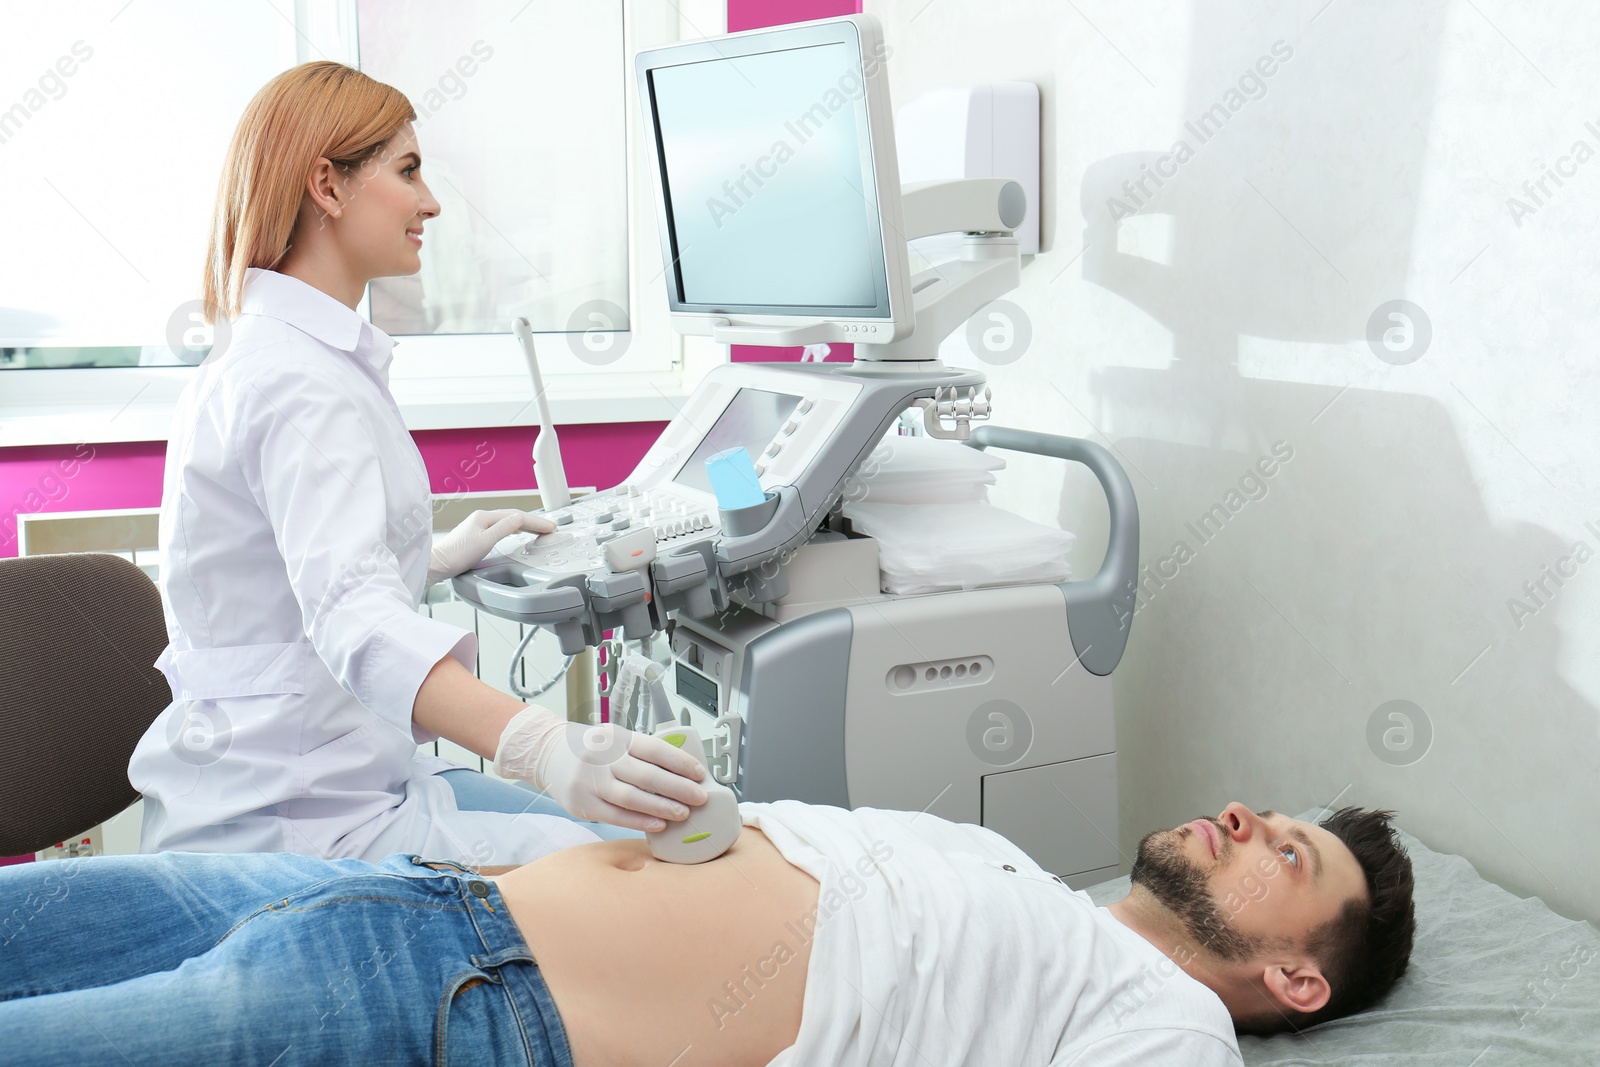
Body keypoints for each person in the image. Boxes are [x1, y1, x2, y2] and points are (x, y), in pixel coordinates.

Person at [126, 60, 708, 867]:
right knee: (625, 870)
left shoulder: (285, 354)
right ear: (326, 187)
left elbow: (294, 576)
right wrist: (540, 744)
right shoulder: (295, 380)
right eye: (407, 171)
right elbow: (349, 616)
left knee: (611, 839)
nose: (430, 202)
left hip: (330, 782)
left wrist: (435, 555)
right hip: (298, 829)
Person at [0, 799, 1416, 1065]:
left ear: (1296, 975)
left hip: (471, 1005)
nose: (1243, 813)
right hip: (413, 893)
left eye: (1287, 849)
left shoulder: (1161, 1022)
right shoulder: (1014, 874)